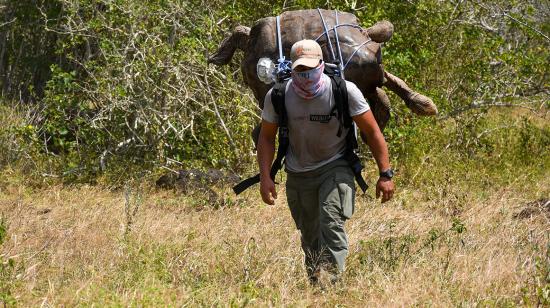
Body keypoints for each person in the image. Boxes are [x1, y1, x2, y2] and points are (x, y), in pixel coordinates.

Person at [257, 39, 395, 283]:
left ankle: (329, 288)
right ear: (292, 67)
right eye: (300, 69)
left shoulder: (344, 90)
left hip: (335, 166)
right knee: (310, 235)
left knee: (331, 223)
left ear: (321, 65)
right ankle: (315, 283)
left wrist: (385, 174)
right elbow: (266, 137)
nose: (306, 75)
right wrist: (266, 178)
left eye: (311, 68)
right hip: (298, 173)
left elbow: (372, 132)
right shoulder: (278, 95)